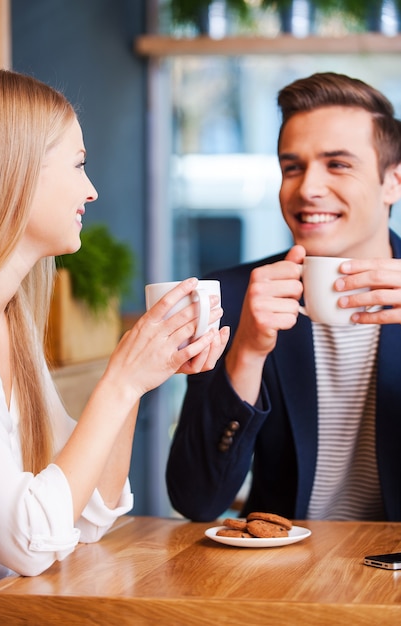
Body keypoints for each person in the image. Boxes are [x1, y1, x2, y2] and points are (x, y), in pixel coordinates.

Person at [0, 69, 229, 587]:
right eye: (78, 164)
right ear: (16, 171)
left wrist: (140, 376)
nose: (91, 191)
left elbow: (89, 515)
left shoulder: (12, 325)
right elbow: (30, 544)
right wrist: (120, 380)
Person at [166, 71, 401, 523]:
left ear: (392, 181)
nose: (307, 188)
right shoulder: (231, 297)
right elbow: (196, 499)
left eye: (338, 164)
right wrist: (247, 353)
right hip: (281, 579)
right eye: (292, 166)